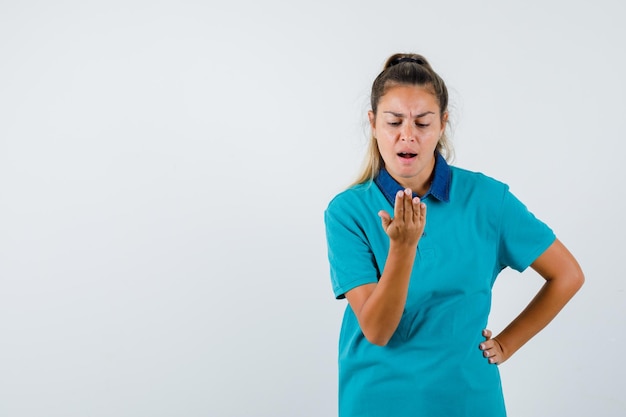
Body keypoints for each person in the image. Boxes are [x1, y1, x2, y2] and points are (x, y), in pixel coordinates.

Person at [323, 53, 584, 417]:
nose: (407, 135)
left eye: (423, 122)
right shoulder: (347, 211)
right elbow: (378, 331)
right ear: (373, 123)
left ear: (443, 123)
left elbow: (567, 275)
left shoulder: (488, 200)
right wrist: (402, 247)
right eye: (394, 121)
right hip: (378, 400)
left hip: (469, 400)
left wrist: (507, 344)